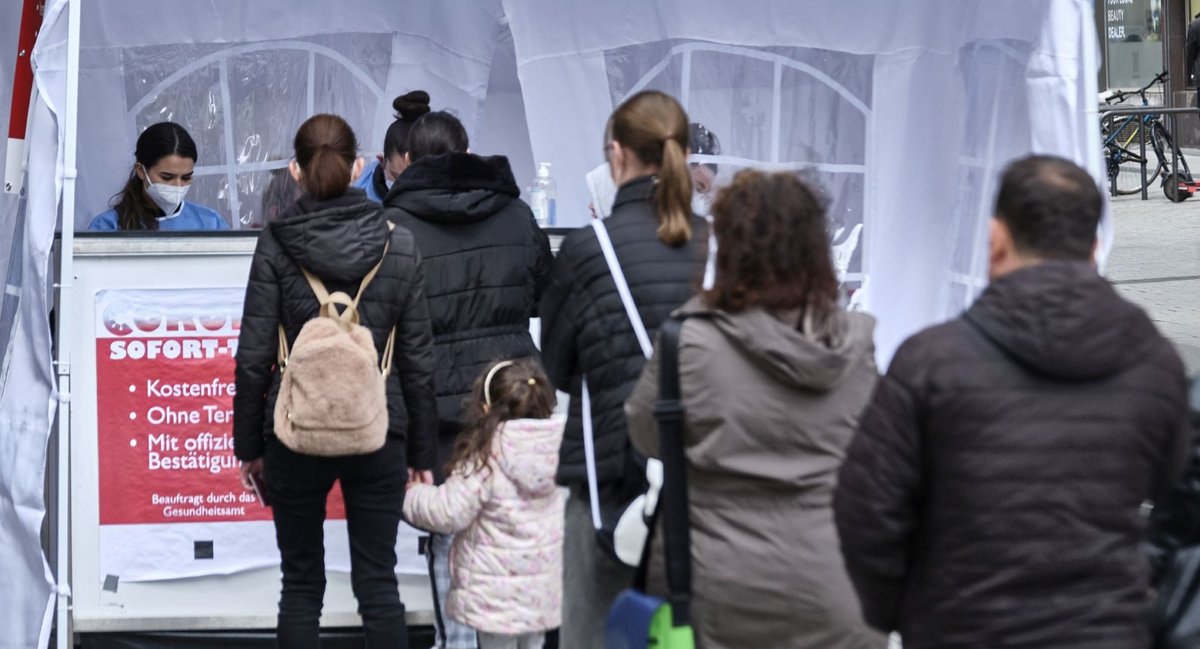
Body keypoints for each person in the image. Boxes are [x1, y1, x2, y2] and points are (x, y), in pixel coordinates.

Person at [834, 155, 1192, 649]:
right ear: (1093, 247)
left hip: (962, 628)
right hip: (1104, 629)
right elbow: (1176, 501)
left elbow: (867, 515)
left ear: (996, 239)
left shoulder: (930, 362)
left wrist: (910, 611)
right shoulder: (1155, 363)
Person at [624, 170, 884, 649]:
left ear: (727, 248)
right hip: (838, 587)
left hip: (716, 592)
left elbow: (646, 434)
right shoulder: (854, 349)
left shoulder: (688, 343)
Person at [232, 113, 439, 649]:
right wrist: (422, 453)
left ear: (296, 170)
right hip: (380, 429)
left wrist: (249, 447)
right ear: (358, 166)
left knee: (301, 585)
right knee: (378, 583)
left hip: (293, 431)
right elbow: (418, 358)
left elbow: (253, 357)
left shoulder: (275, 242)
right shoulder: (399, 243)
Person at [538, 90, 707, 648]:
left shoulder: (589, 250)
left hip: (607, 478)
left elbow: (556, 368)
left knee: (594, 633)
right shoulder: (717, 246)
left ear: (617, 155)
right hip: (701, 477)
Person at [382, 108, 551, 649]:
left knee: (446, 528)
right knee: (517, 526)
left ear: (408, 159)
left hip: (432, 400)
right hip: (511, 395)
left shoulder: (394, 226)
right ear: (467, 150)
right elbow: (542, 293)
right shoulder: (517, 214)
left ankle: (454, 642)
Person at [404, 359, 565, 649]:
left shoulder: (485, 458)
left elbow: (447, 511)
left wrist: (411, 493)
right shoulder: (561, 452)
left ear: (486, 409)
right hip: (541, 594)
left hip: (495, 598)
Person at [88, 121, 228, 231]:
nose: (178, 186)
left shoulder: (210, 222)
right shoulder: (107, 226)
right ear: (141, 171)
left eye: (186, 177)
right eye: (167, 177)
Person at [354, 90, 431, 202]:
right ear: (382, 161)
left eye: (415, 180)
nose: (405, 187)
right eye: (396, 177)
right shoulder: (357, 195)